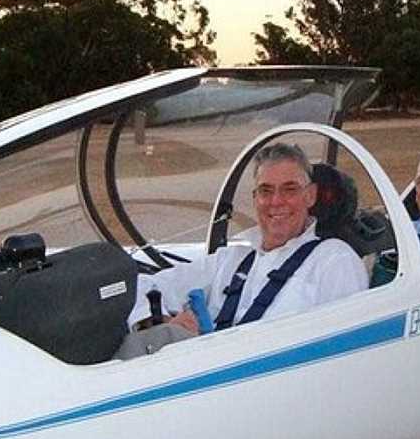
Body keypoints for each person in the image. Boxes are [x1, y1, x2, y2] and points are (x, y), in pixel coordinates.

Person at [126, 143, 369, 338]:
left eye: (289, 189)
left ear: (310, 196)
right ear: (255, 199)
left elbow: (345, 349)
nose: (276, 201)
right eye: (266, 191)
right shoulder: (230, 260)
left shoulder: (335, 260)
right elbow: (139, 287)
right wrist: (162, 323)